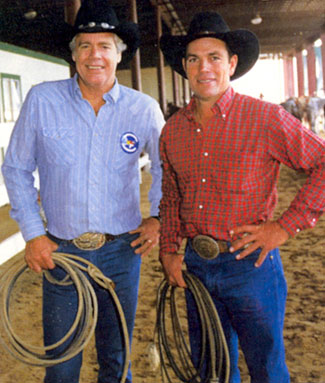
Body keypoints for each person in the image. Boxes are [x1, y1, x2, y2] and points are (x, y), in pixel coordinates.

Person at [1, 1, 165, 382]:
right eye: (85, 45)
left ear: (119, 53)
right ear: (74, 54)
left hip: (122, 253)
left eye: (105, 45)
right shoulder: (43, 101)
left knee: (116, 357)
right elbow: (16, 168)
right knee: (61, 364)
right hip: (62, 253)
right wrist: (34, 234)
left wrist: (157, 217)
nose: (95, 55)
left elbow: (164, 168)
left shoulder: (143, 109)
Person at [158, 11, 325, 383]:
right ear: (184, 67)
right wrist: (169, 248)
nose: (205, 68)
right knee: (212, 368)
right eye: (194, 59)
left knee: (266, 368)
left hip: (250, 264)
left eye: (214, 57)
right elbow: (171, 195)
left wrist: (283, 228)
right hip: (196, 266)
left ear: (231, 64)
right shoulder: (172, 131)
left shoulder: (266, 118)